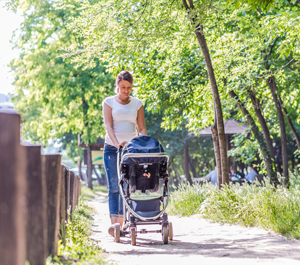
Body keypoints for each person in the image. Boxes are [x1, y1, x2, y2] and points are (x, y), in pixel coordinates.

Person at [102, 70, 147, 236]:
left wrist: (142, 144)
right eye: (123, 87)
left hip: (131, 150)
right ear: (117, 86)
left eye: (129, 87)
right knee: (115, 187)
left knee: (130, 186)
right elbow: (108, 126)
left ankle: (128, 222)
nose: (126, 91)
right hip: (112, 149)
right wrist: (117, 144)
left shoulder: (137, 104)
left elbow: (141, 128)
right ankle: (116, 227)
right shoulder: (108, 102)